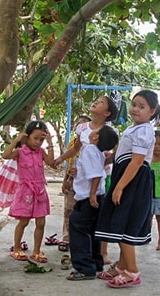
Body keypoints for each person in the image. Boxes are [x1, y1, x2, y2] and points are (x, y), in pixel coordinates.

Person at [95, 89, 160, 289]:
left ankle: (132, 271)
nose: (135, 109)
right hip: (126, 177)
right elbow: (126, 154)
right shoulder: (135, 128)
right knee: (120, 222)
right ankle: (121, 266)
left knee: (125, 225)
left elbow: (137, 161)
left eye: (142, 107)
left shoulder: (145, 130)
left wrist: (120, 187)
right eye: (134, 104)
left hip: (133, 182)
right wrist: (112, 157)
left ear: (152, 111)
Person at [53, 96, 119, 252]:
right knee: (71, 209)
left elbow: (117, 152)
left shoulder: (109, 132)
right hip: (78, 175)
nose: (95, 102)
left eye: (101, 102)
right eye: (95, 100)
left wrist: (101, 163)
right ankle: (69, 240)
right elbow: (76, 149)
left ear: (107, 113)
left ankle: (93, 250)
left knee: (91, 213)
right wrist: (61, 158)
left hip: (96, 179)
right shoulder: (82, 128)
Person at [66, 125, 119, 281]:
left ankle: (84, 268)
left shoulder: (89, 149)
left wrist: (91, 195)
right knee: (93, 231)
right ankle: (96, 263)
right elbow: (100, 167)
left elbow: (95, 175)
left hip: (89, 198)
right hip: (98, 196)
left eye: (95, 131)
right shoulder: (98, 152)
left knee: (77, 226)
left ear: (95, 137)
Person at [2, 121, 54, 263]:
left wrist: (50, 144)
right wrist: (16, 140)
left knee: (41, 222)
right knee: (24, 221)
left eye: (41, 139)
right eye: (35, 138)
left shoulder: (41, 152)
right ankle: (17, 248)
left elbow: (51, 162)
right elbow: (5, 155)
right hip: (25, 191)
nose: (38, 142)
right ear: (27, 136)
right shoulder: (20, 152)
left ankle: (36, 250)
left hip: (40, 190)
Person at [51, 115, 91, 252]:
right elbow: (70, 162)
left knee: (86, 212)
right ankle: (66, 238)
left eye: (84, 123)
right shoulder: (73, 144)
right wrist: (65, 180)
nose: (80, 126)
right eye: (78, 124)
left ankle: (83, 240)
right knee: (68, 210)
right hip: (72, 181)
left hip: (87, 183)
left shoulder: (93, 143)